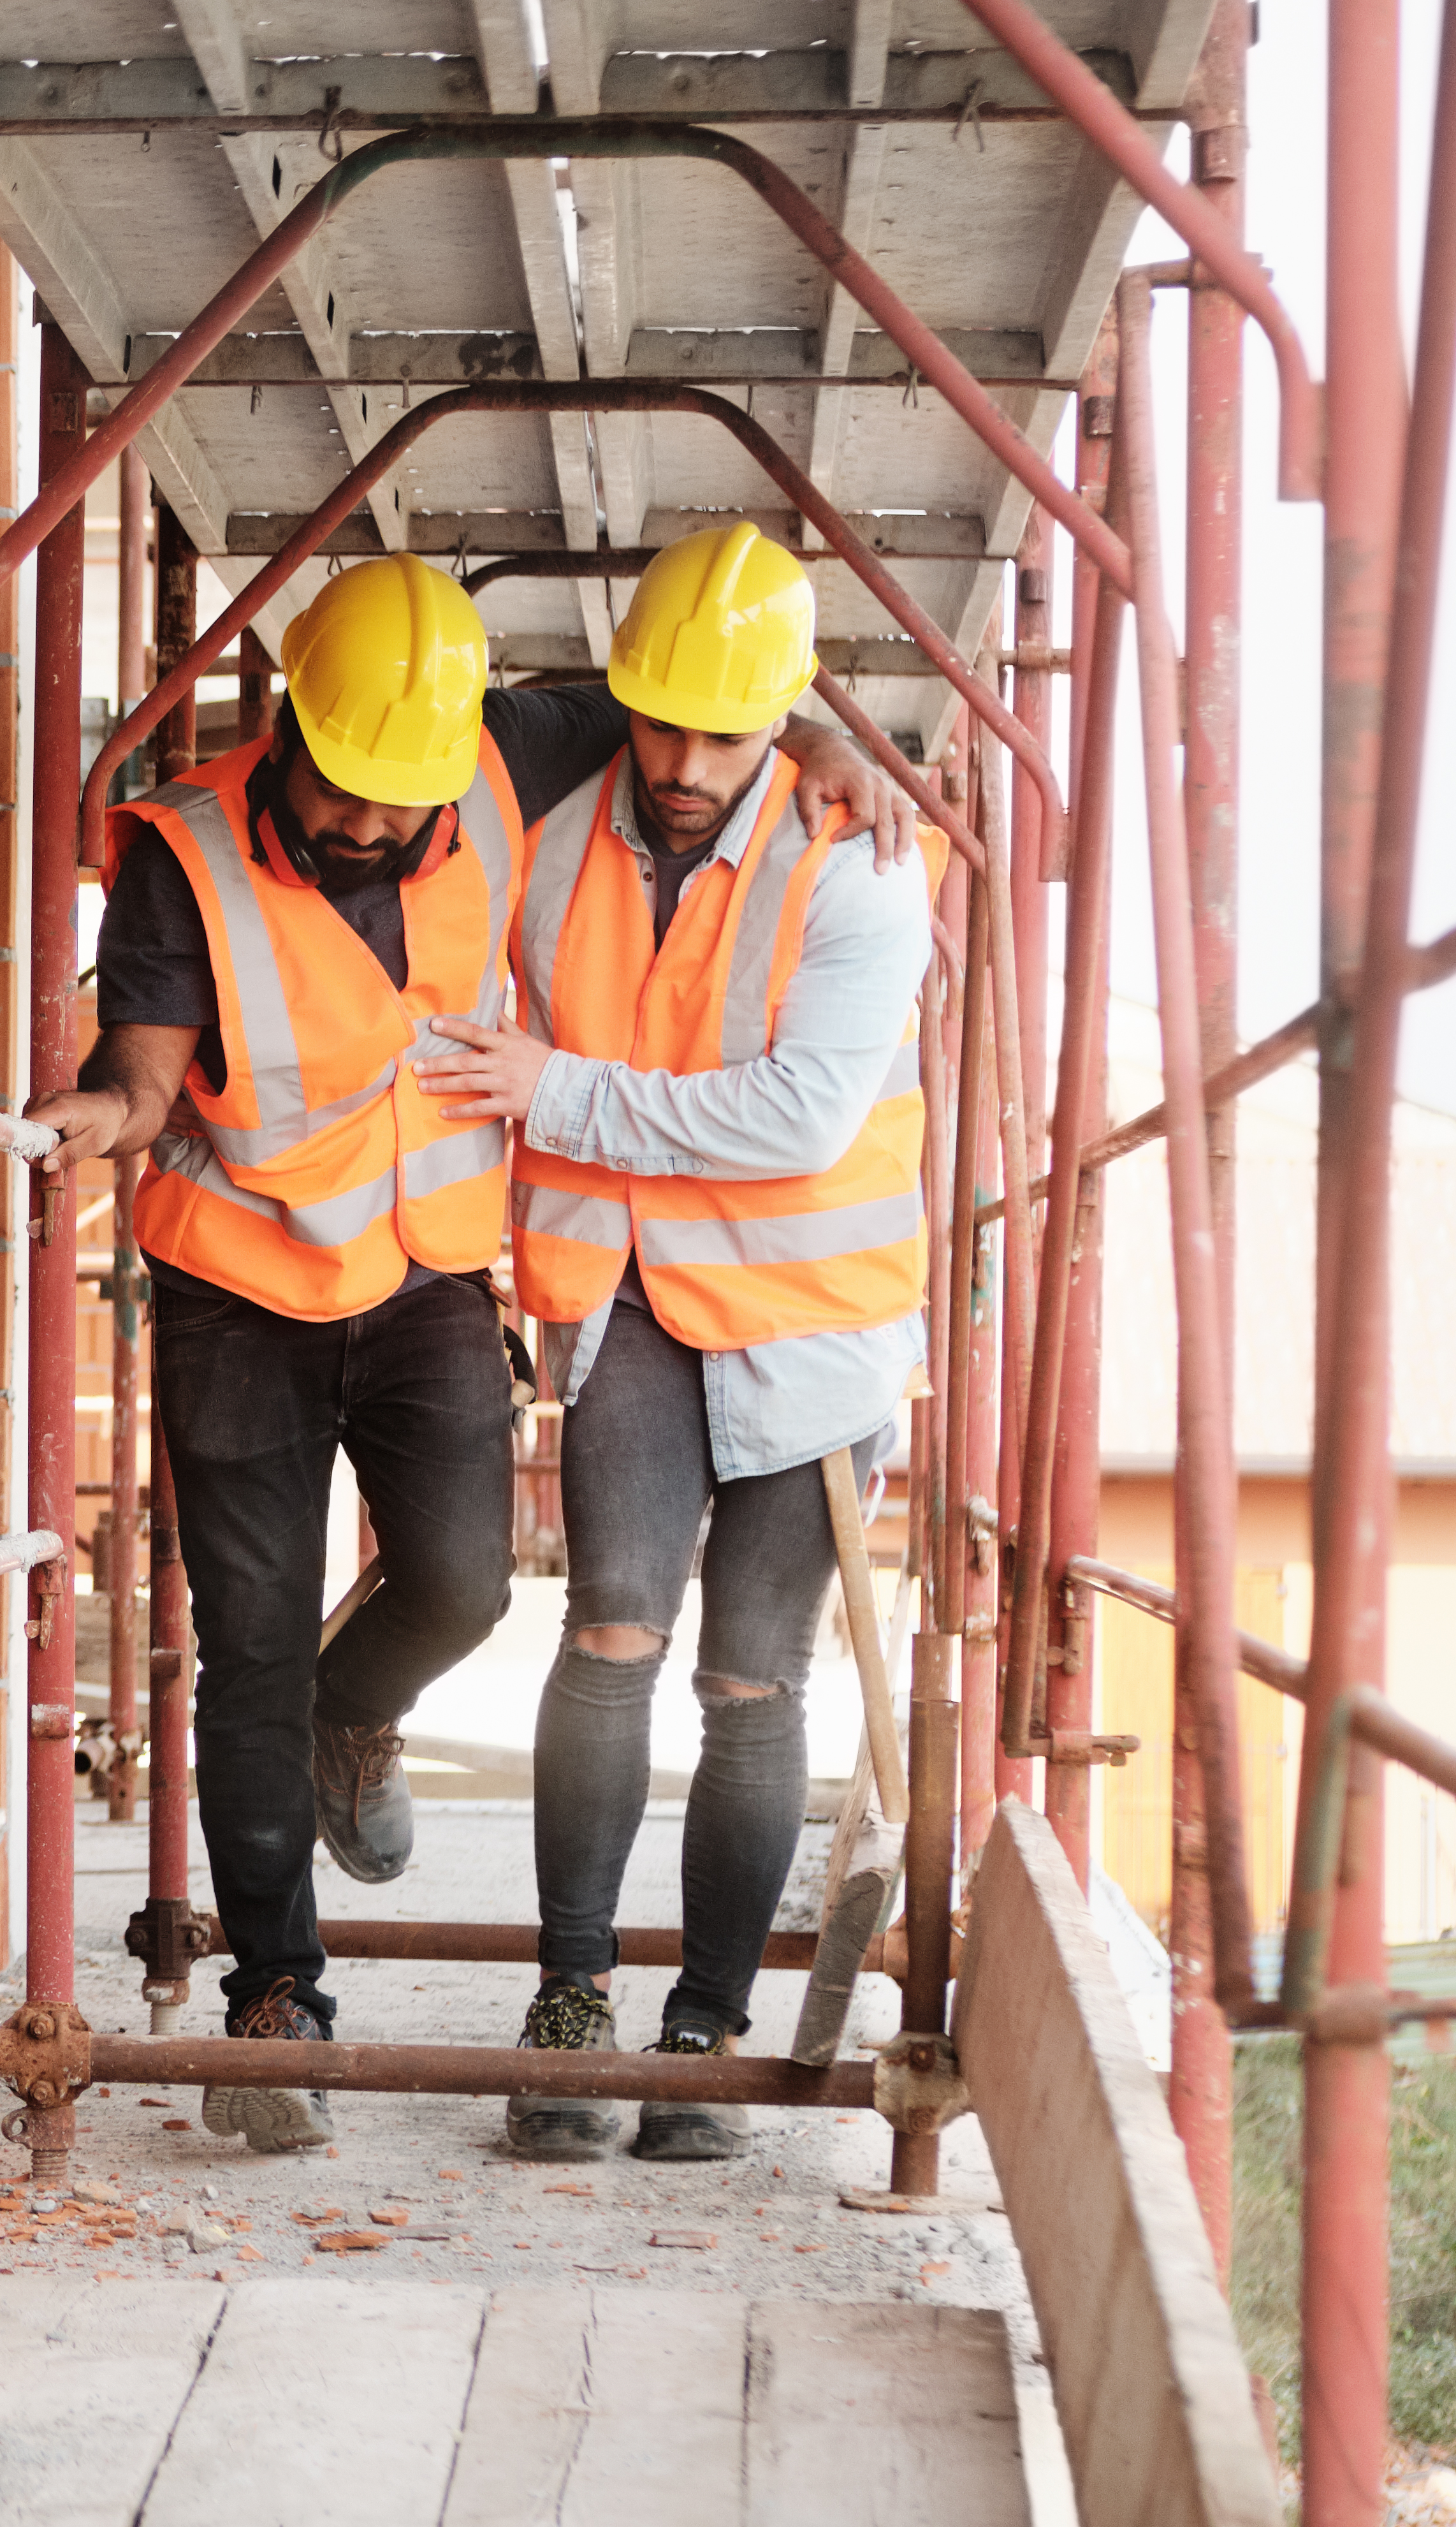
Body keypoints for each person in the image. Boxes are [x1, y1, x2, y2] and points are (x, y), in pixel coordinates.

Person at [27, 552, 908, 2153]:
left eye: (405, 798)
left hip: (432, 1271)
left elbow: (718, 711)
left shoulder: (504, 748)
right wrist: (111, 1109)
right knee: (250, 1649)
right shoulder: (187, 849)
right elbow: (149, 1058)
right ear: (292, 721)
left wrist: (835, 741)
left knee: (468, 1585)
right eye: (349, 791)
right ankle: (275, 2005)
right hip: (240, 1282)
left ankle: (355, 1720)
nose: (377, 824)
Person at [412, 525, 938, 2163]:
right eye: (664, 725)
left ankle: (704, 2028)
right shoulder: (555, 823)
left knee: (751, 1678)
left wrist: (554, 1093)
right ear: (620, 699)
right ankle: (572, 2003)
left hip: (814, 1328)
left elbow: (800, 1113)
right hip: (632, 1291)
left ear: (785, 715)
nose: (689, 763)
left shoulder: (855, 860)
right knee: (614, 1637)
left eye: (728, 732)